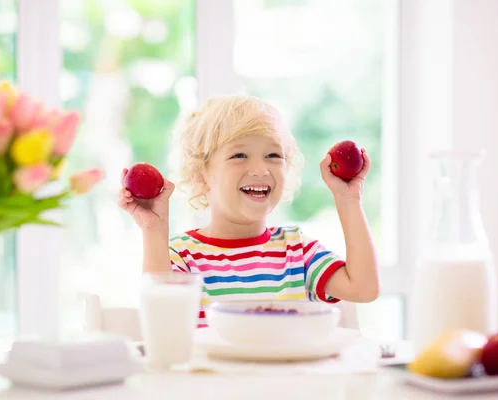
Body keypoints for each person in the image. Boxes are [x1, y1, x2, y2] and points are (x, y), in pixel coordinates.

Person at [118, 95, 379, 326]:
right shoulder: (181, 256)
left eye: (273, 156)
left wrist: (348, 200)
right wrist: (153, 230)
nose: (260, 170)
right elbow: (161, 319)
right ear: (202, 174)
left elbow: (364, 288)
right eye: (239, 156)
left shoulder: (298, 251)